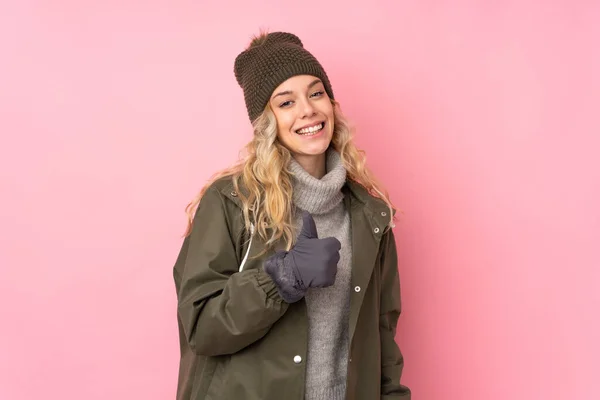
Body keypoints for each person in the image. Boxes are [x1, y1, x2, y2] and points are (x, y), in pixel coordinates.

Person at [173, 31, 411, 400]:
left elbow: (381, 335)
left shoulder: (370, 214)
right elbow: (201, 328)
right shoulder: (232, 202)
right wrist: (282, 280)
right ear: (266, 121)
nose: (308, 110)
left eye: (316, 93)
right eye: (286, 102)